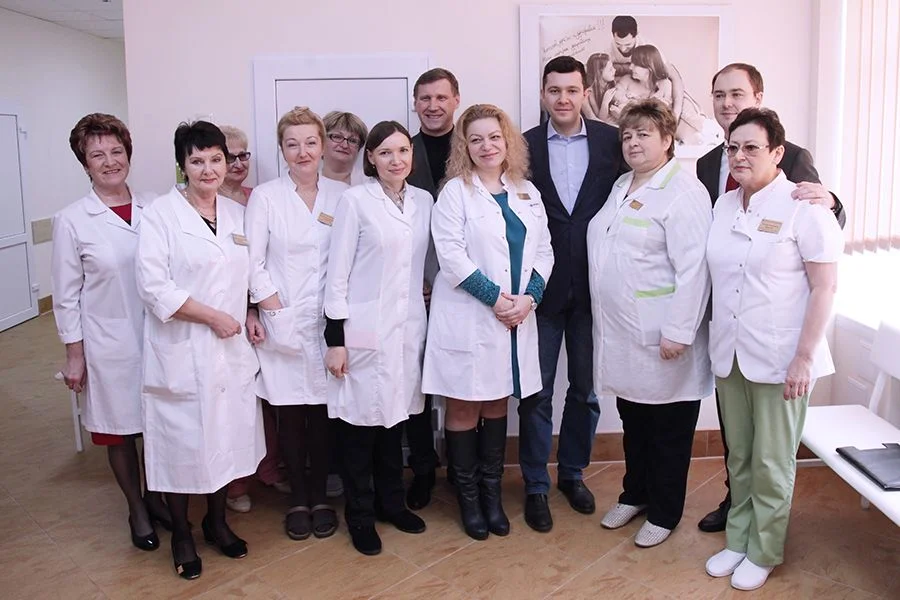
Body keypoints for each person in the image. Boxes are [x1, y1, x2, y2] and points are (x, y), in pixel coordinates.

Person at [695, 63, 847, 534]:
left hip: (779, 344)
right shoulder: (709, 170)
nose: (727, 102)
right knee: (738, 449)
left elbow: (823, 240)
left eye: (736, 93)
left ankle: (763, 543)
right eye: (719, 94)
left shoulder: (795, 168)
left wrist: (833, 201)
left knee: (770, 456)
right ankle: (738, 524)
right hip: (731, 341)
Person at [136, 121, 265, 579]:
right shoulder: (159, 215)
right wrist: (212, 317)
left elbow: (249, 272)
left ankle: (216, 522)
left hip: (229, 350)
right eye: (197, 160)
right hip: (183, 348)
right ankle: (183, 533)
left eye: (216, 159)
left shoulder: (236, 214)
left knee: (224, 438)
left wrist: (253, 308)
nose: (208, 169)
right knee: (182, 443)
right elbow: (153, 287)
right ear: (182, 166)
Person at [423, 104, 554, 541]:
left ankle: (492, 495)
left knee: (498, 403)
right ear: (464, 146)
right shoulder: (454, 193)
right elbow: (451, 257)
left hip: (515, 317)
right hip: (471, 317)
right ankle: (469, 498)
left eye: (494, 137)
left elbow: (544, 252)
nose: (486, 146)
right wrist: (497, 300)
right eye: (475, 139)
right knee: (464, 405)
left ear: (507, 141)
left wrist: (529, 299)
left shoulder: (527, 192)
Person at [587, 99, 713, 548]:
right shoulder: (623, 183)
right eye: (627, 135)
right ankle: (635, 493)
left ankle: (664, 511)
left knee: (668, 430)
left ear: (667, 140)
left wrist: (679, 331)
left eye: (644, 134)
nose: (633, 142)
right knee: (635, 422)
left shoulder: (684, 190)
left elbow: (694, 269)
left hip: (664, 337)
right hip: (623, 336)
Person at [52, 113, 169, 552]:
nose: (110, 161)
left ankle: (156, 497)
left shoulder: (157, 207)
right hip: (108, 343)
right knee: (118, 431)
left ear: (128, 154)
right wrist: (75, 355)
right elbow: (66, 296)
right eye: (97, 154)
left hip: (160, 336)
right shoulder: (72, 220)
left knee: (157, 424)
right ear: (84, 163)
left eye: (116, 151)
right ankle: (136, 509)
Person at [520, 55, 625, 533]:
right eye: (554, 90)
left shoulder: (611, 141)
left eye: (571, 90)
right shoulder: (521, 146)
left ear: (585, 93)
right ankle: (535, 485)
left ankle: (573, 474)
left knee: (585, 390)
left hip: (594, 289)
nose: (562, 99)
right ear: (543, 94)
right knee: (536, 392)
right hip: (539, 290)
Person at [323, 121, 431, 556]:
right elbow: (337, 274)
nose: (395, 160)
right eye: (385, 152)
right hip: (362, 330)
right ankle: (360, 516)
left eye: (403, 150)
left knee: (395, 421)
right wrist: (335, 339)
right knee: (360, 430)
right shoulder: (355, 202)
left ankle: (392, 504)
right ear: (370, 158)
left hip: (407, 329)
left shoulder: (424, 201)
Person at [245, 107, 346, 540]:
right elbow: (252, 261)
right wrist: (273, 310)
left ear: (322, 146)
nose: (302, 152)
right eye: (292, 144)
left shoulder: (342, 195)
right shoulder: (266, 197)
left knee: (322, 414)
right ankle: (298, 500)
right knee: (288, 415)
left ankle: (320, 497)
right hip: (281, 320)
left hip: (328, 322)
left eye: (310, 142)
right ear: (282, 150)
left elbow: (351, 258)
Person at [217, 124, 289, 514]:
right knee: (232, 401)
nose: (237, 163)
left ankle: (270, 469)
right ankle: (235, 484)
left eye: (243, 155)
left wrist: (256, 307)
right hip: (223, 314)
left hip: (262, 310)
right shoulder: (201, 204)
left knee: (270, 397)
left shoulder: (257, 198)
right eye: (228, 156)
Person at [404, 67, 462, 509]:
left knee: (464, 379)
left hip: (472, 288)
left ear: (456, 100)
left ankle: (463, 469)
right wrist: (418, 280)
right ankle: (423, 469)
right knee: (418, 383)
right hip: (421, 287)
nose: (433, 106)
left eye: (441, 97)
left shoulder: (476, 145)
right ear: (415, 104)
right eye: (425, 98)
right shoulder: (403, 152)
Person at [601, 45, 707, 145]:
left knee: (694, 136)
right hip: (637, 129)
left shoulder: (664, 85)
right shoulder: (627, 80)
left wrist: (635, 104)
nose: (631, 67)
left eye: (635, 64)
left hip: (667, 128)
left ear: (649, 68)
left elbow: (661, 118)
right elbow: (616, 99)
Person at [607, 16, 684, 117]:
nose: (623, 49)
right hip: (629, 89)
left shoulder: (648, 49)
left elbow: (674, 77)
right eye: (618, 44)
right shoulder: (607, 50)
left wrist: (676, 114)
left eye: (628, 44)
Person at [321, 111, 368, 186]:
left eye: (352, 141)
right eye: (337, 137)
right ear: (321, 141)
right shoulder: (305, 181)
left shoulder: (369, 185)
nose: (345, 145)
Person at [218, 125, 253, 206]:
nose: (239, 165)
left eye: (242, 155)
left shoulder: (256, 195)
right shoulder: (209, 201)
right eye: (230, 158)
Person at [582, 52, 616, 122]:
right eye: (610, 69)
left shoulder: (611, 83)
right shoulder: (591, 92)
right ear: (599, 73)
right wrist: (605, 102)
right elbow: (601, 120)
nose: (614, 70)